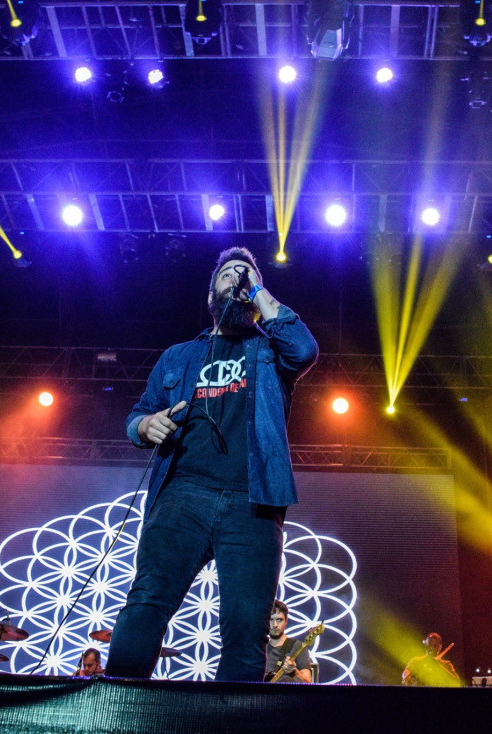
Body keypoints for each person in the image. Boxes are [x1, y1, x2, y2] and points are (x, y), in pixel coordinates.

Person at [105, 247, 319, 682]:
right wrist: (146, 425)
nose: (237, 279)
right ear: (210, 294)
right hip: (183, 493)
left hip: (253, 502)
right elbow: (137, 415)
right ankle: (118, 709)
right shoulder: (178, 356)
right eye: (228, 274)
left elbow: (304, 349)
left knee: (245, 629)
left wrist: (256, 290)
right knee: (147, 603)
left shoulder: (271, 351)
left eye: (247, 274)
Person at [264, 600, 313, 683]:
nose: (275, 625)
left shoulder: (298, 647)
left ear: (286, 621)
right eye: (271, 620)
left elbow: (308, 683)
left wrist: (295, 672)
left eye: (279, 620)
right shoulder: (260, 648)